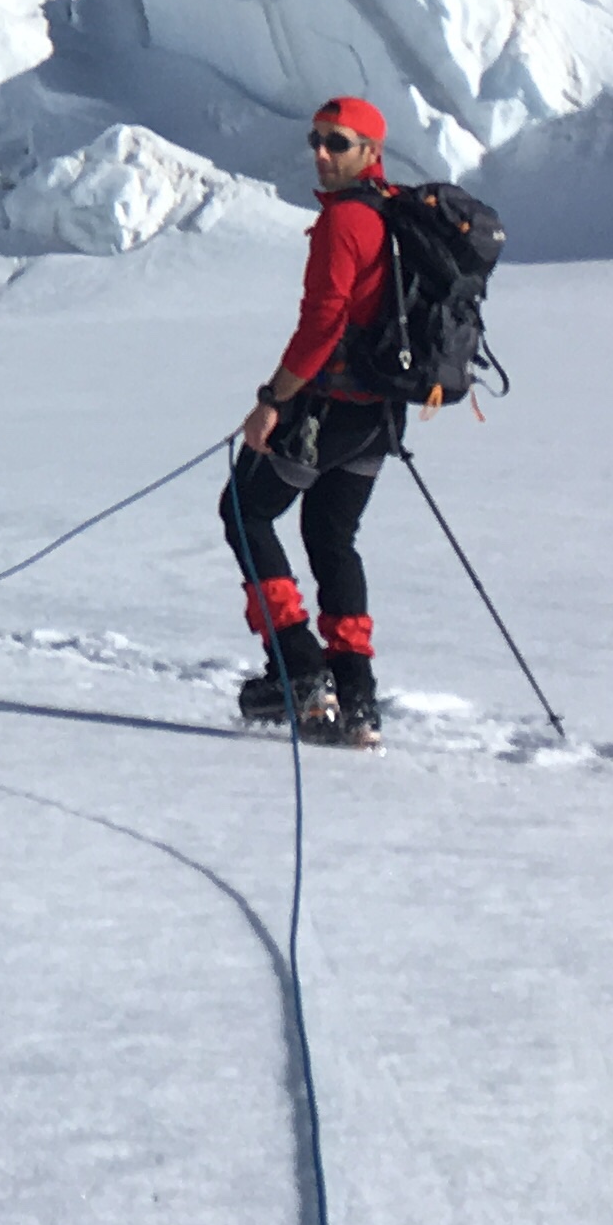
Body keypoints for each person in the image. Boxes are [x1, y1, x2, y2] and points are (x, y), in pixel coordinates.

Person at [223, 95, 410, 745]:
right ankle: (356, 698)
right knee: (332, 537)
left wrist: (273, 399)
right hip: (380, 415)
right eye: (317, 140)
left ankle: (300, 673)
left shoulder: (346, 223)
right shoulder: (395, 214)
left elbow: (322, 325)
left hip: (326, 409)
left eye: (338, 142)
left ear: (370, 152)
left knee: (244, 513)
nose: (322, 154)